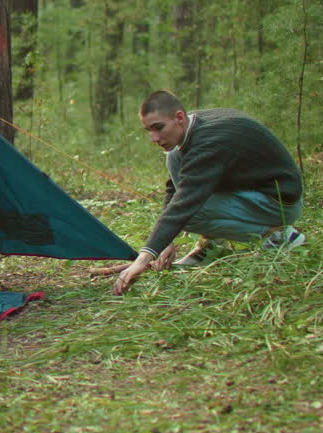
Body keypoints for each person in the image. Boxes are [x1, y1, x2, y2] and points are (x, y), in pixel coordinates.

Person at [113, 90, 305, 296]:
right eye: (148, 130)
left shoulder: (209, 143)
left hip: (279, 202)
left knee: (189, 215)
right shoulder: (191, 126)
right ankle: (213, 244)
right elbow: (175, 185)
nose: (154, 138)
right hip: (249, 188)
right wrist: (166, 241)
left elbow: (184, 203)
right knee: (173, 156)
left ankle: (280, 236)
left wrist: (144, 259)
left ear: (178, 117)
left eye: (158, 128)